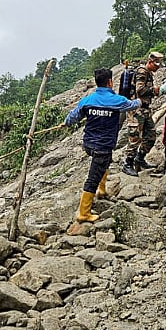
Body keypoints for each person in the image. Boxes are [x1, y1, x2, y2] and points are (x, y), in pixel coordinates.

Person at [65, 69, 140, 221]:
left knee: (104, 163)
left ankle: (102, 190)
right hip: (103, 145)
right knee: (93, 177)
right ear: (110, 82)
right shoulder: (117, 100)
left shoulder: (87, 100)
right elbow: (132, 105)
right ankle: (83, 213)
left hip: (88, 144)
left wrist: (65, 123)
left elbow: (71, 118)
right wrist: (140, 101)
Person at [121, 51, 164, 177]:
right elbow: (139, 90)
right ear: (150, 62)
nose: (158, 67)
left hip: (145, 109)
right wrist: (153, 90)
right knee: (135, 138)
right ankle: (128, 164)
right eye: (156, 65)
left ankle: (139, 159)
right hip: (136, 110)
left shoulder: (148, 73)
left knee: (150, 136)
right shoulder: (141, 72)